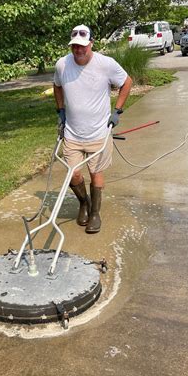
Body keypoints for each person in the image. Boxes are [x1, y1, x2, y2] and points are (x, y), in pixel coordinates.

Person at [54, 24, 133, 233]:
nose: (78, 50)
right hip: (72, 132)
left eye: (82, 46)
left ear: (91, 43)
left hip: (99, 131)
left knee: (96, 173)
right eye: (74, 47)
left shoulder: (106, 64)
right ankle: (84, 203)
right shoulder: (62, 65)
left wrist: (117, 111)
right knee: (74, 175)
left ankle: (95, 214)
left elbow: (127, 82)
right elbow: (57, 85)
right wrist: (60, 111)